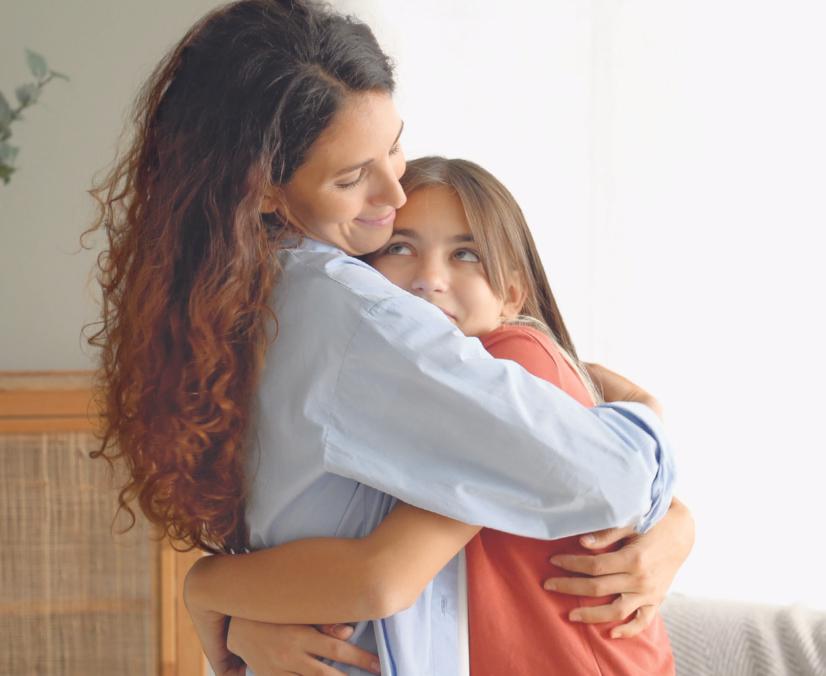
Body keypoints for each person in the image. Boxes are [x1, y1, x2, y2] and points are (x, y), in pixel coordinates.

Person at [86, 2, 681, 673]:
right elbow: (607, 479)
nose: (396, 193)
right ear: (265, 191)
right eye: (351, 178)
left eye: (394, 146)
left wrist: (212, 590)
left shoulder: (234, 292)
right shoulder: (361, 316)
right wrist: (647, 419)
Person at [184, 158, 688, 676]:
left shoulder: (512, 360)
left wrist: (207, 589)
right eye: (400, 248)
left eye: (465, 254)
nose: (429, 280)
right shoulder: (398, 390)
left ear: (512, 294)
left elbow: (383, 577)